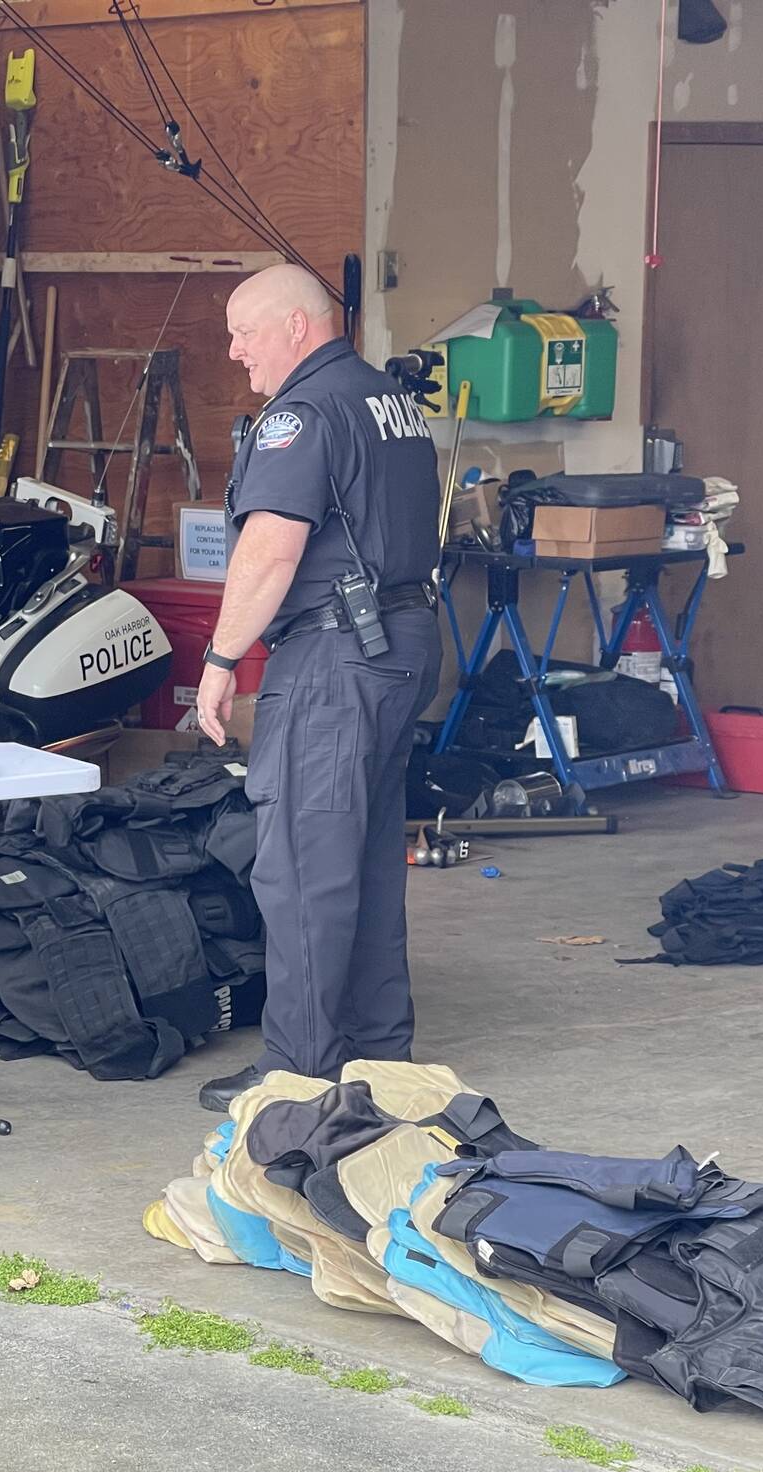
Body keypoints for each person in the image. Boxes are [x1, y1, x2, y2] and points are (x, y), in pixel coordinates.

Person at [192, 264, 444, 1112]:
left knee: (302, 866)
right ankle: (381, 1057)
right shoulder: (389, 401)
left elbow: (270, 550)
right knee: (366, 858)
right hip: (402, 640)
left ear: (297, 326)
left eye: (244, 332)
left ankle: (298, 1073)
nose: (234, 352)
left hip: (337, 658)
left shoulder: (301, 415)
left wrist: (222, 662)